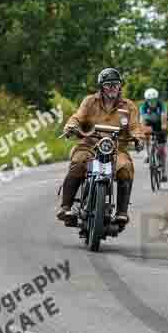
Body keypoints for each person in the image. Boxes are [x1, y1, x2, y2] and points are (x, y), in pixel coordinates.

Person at [57, 68, 145, 225]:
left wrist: (138, 138)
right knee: (78, 163)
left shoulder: (129, 106)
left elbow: (135, 127)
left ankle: (121, 213)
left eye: (116, 84)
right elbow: (77, 117)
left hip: (117, 149)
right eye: (108, 84)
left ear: (120, 86)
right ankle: (65, 207)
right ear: (101, 87)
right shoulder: (90, 101)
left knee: (125, 168)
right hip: (89, 145)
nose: (112, 88)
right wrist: (71, 127)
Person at [139, 88, 168, 182]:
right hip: (149, 123)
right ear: (146, 100)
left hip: (159, 124)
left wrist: (163, 128)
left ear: (157, 99)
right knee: (145, 134)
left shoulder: (161, 105)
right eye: (150, 101)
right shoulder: (143, 107)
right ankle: (148, 154)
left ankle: (163, 173)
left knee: (161, 149)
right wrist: (142, 130)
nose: (152, 102)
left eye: (154, 100)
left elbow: (164, 117)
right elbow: (142, 120)